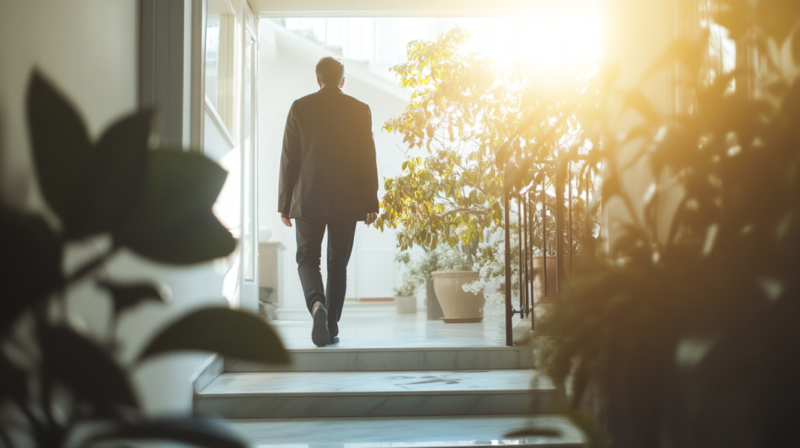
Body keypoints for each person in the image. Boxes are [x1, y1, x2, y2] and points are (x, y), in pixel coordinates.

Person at [278, 56, 379, 347]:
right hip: (347, 201)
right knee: (338, 265)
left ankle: (317, 307)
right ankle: (332, 326)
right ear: (343, 80)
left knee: (307, 259)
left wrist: (285, 202)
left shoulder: (300, 106)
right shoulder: (360, 110)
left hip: (307, 198)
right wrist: (370, 201)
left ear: (318, 80)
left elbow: (289, 159)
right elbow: (366, 158)